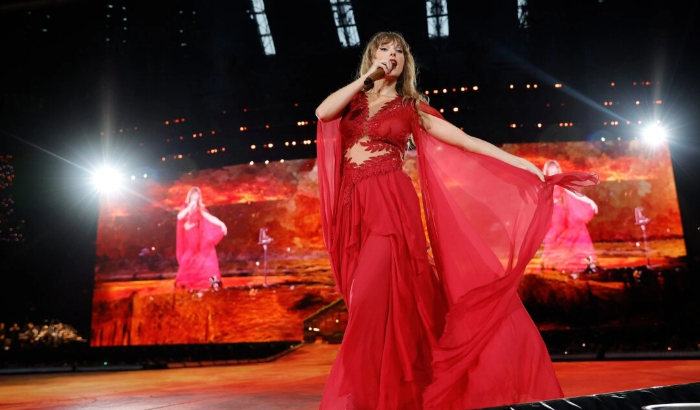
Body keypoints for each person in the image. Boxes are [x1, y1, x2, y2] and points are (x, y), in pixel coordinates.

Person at [315, 32, 598, 410]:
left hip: (390, 206)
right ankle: (399, 396)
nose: (394, 55)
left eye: (400, 51)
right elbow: (322, 113)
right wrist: (365, 78)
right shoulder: (353, 100)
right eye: (386, 49)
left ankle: (366, 400)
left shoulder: (410, 106)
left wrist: (522, 164)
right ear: (373, 55)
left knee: (368, 304)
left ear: (406, 62)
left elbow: (467, 142)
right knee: (380, 306)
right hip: (353, 209)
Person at [542, 160, 599, 272]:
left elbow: (575, 194)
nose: (553, 171)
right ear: (547, 170)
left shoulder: (561, 182)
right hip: (553, 215)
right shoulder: (544, 183)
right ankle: (551, 265)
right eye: (551, 169)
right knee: (554, 239)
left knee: (578, 229)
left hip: (563, 214)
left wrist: (590, 202)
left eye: (555, 169)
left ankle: (583, 262)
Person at [174, 187, 227, 291]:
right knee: (187, 260)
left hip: (197, 239)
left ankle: (208, 283)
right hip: (188, 240)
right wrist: (190, 207)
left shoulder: (200, 209)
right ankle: (184, 284)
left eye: (197, 195)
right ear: (190, 195)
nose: (195, 197)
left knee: (204, 259)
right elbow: (180, 217)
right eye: (193, 195)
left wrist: (222, 223)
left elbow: (210, 218)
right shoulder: (185, 206)